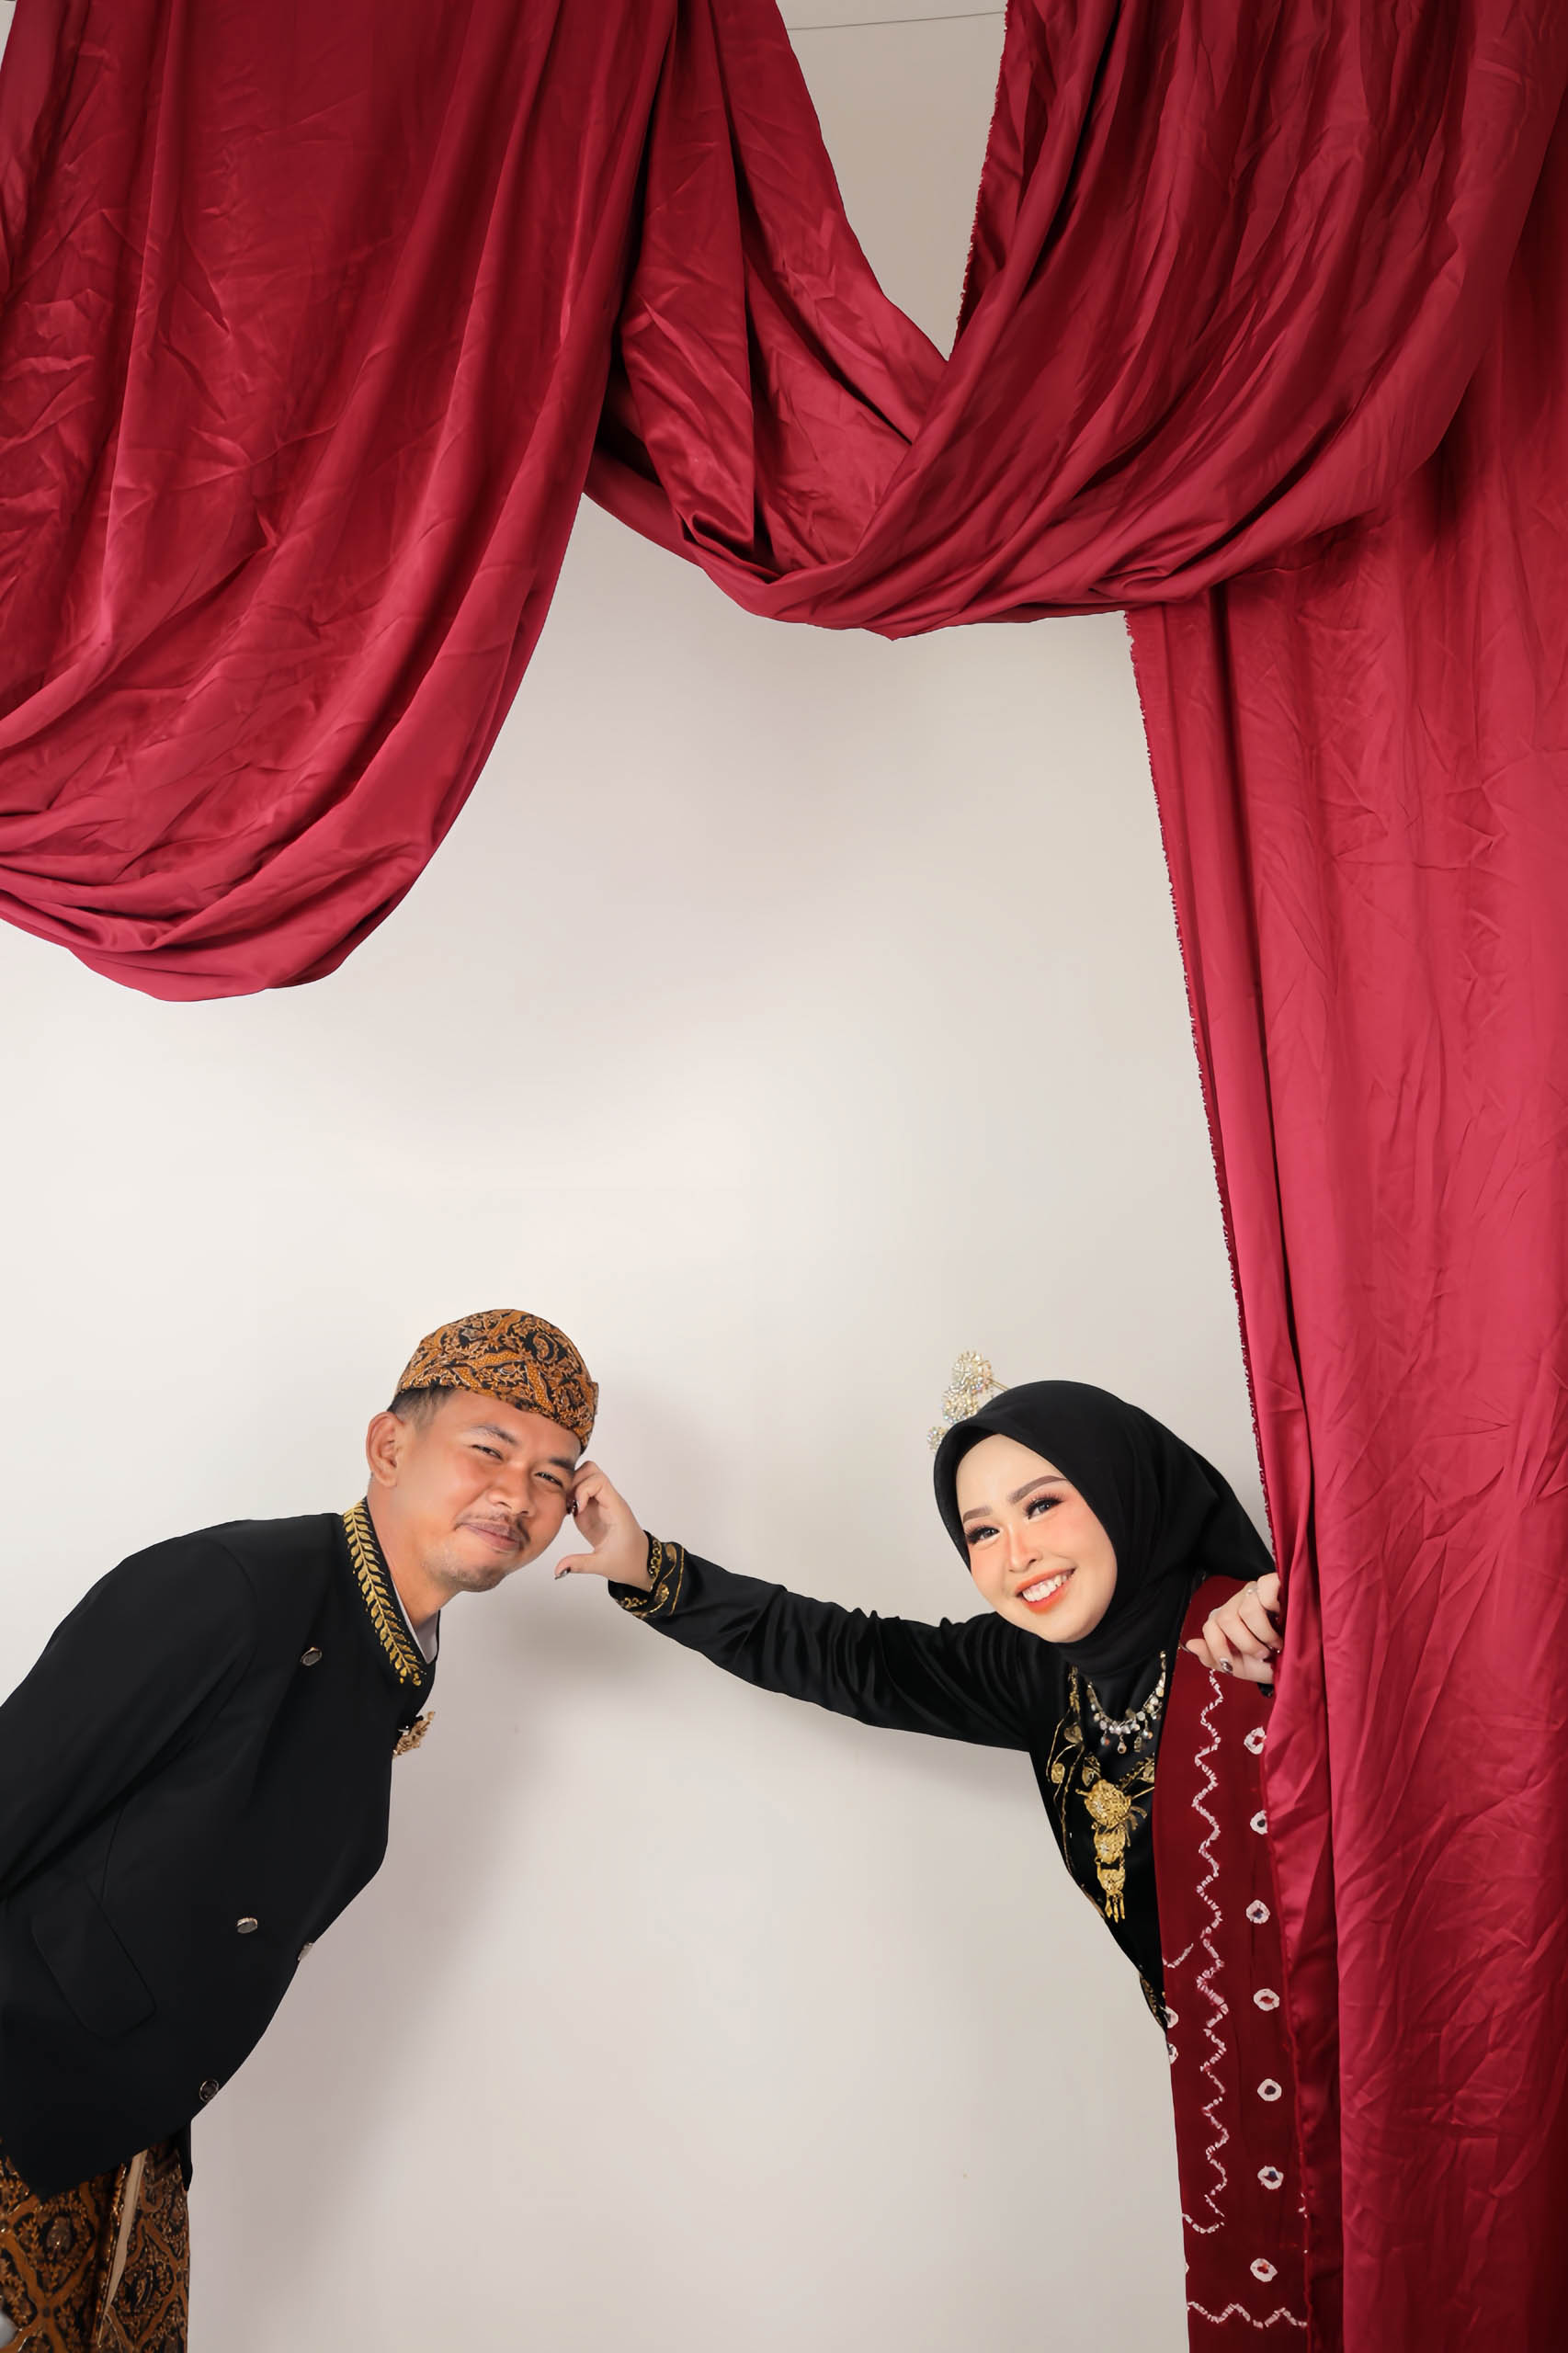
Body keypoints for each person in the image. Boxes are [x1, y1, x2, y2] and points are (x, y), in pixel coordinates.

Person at [561, 1357, 1312, 2349]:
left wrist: (1307, 1646)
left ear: (1125, 1488)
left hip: (1383, 2082)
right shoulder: (1038, 1672)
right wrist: (648, 1570)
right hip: (1238, 2117)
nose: (1016, 1554)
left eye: (1041, 1504)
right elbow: (852, 1658)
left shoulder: (1266, 1633)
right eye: (982, 1531)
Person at [0, 1307, 597, 2353]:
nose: (518, 1493)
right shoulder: (229, 1589)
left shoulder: (395, 1654)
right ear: (388, 1446)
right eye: (489, 1449)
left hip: (128, 2139)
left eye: (553, 1475)